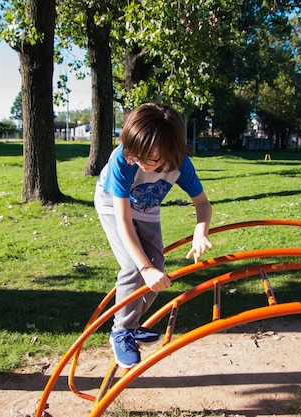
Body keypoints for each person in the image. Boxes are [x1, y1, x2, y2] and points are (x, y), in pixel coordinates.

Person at [94, 102, 213, 368]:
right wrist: (144, 267)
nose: (138, 162)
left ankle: (131, 323)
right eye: (134, 155)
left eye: (149, 158)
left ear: (171, 150)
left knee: (159, 269)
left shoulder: (181, 165)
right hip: (113, 206)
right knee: (134, 267)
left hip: (147, 208)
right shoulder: (123, 159)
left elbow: (202, 203)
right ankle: (120, 331)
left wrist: (200, 231)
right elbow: (123, 219)